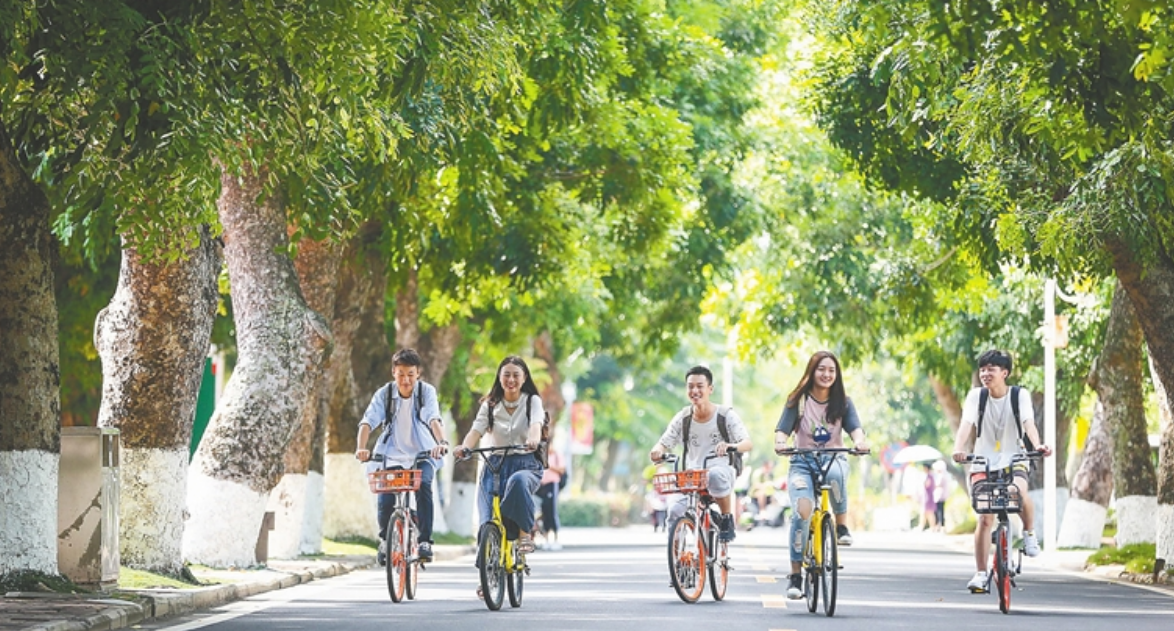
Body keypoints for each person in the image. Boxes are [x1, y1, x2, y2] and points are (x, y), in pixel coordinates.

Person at [951, 349, 1051, 593]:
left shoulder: (1019, 395)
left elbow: (1028, 424)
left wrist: (1037, 445)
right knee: (985, 518)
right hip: (982, 461)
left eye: (991, 369)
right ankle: (980, 573)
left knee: (1017, 492)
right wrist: (958, 449)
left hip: (1014, 457)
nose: (985, 374)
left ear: (1004, 373)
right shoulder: (976, 397)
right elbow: (966, 425)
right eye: (983, 369)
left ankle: (1028, 533)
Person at [773, 350, 869, 600]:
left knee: (836, 476)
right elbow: (782, 430)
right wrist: (781, 442)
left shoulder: (844, 402)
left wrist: (860, 442)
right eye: (821, 369)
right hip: (802, 462)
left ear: (837, 375)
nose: (827, 374)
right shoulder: (798, 400)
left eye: (831, 370)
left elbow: (856, 430)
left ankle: (842, 527)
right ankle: (795, 575)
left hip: (832, 458)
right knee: (802, 510)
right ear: (812, 371)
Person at [354, 349, 448, 564]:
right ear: (393, 373)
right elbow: (368, 421)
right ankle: (385, 541)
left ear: (418, 374)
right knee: (385, 497)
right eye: (401, 374)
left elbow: (434, 418)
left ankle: (424, 541)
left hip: (423, 453)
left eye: (411, 374)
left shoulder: (426, 392)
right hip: (391, 456)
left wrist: (441, 442)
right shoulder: (384, 394)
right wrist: (361, 448)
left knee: (424, 484)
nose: (406, 380)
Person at [649, 365, 752, 544]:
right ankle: (678, 560)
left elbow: (747, 443)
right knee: (673, 510)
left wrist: (730, 446)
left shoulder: (725, 415)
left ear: (710, 389)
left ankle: (727, 518)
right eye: (690, 386)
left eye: (699, 386)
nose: (694, 390)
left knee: (714, 475)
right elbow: (665, 442)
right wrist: (658, 451)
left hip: (721, 470)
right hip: (692, 475)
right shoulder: (683, 417)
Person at [453, 356, 546, 555]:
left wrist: (533, 440)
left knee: (519, 482)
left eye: (515, 375)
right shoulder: (490, 404)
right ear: (499, 377)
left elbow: (536, 425)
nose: (510, 380)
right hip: (495, 465)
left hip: (526, 462)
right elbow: (475, 431)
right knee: (486, 521)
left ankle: (524, 535)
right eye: (506, 375)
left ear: (524, 378)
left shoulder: (532, 401)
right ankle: (484, 579)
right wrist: (464, 447)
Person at [535, 434, 565, 550]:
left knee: (552, 512)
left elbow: (562, 469)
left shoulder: (557, 455)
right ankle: (547, 539)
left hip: (552, 485)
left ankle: (556, 539)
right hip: (541, 486)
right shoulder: (541, 456)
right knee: (544, 512)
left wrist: (549, 466)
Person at [920, 463, 937, 531]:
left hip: (928, 497)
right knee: (925, 513)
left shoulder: (929, 476)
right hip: (928, 496)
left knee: (929, 512)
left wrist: (923, 483)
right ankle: (922, 526)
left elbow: (927, 485)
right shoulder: (930, 476)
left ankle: (932, 527)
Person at [932, 460, 947, 532]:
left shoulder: (941, 476)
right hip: (939, 496)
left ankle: (941, 526)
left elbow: (937, 485)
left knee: (940, 511)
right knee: (939, 511)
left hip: (940, 496)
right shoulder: (942, 476)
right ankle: (939, 525)